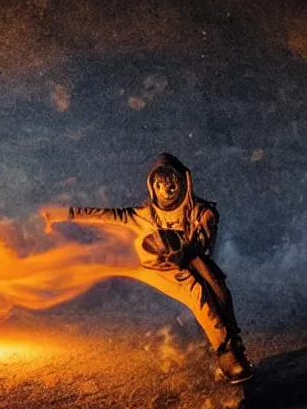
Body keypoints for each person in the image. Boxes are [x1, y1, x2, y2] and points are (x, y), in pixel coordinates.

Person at [41, 153, 254, 384]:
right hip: (156, 268)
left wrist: (203, 225)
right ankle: (226, 351)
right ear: (153, 186)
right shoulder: (145, 215)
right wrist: (67, 214)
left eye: (171, 183)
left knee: (215, 284)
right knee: (197, 292)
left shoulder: (198, 212)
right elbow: (106, 215)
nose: (167, 190)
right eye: (159, 184)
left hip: (186, 260)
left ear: (183, 181)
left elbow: (202, 242)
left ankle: (232, 347)